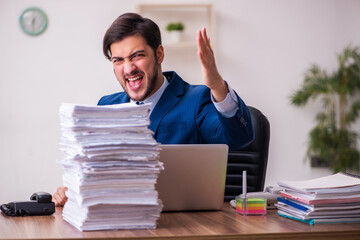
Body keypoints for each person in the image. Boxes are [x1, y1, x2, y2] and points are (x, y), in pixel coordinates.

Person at [52, 13, 254, 207]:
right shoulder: (106, 106)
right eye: (118, 60)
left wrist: (217, 86)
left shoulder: (197, 100)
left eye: (137, 56)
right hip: (120, 222)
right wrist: (73, 188)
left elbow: (237, 138)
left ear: (159, 54)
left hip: (185, 224)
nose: (129, 68)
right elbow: (95, 171)